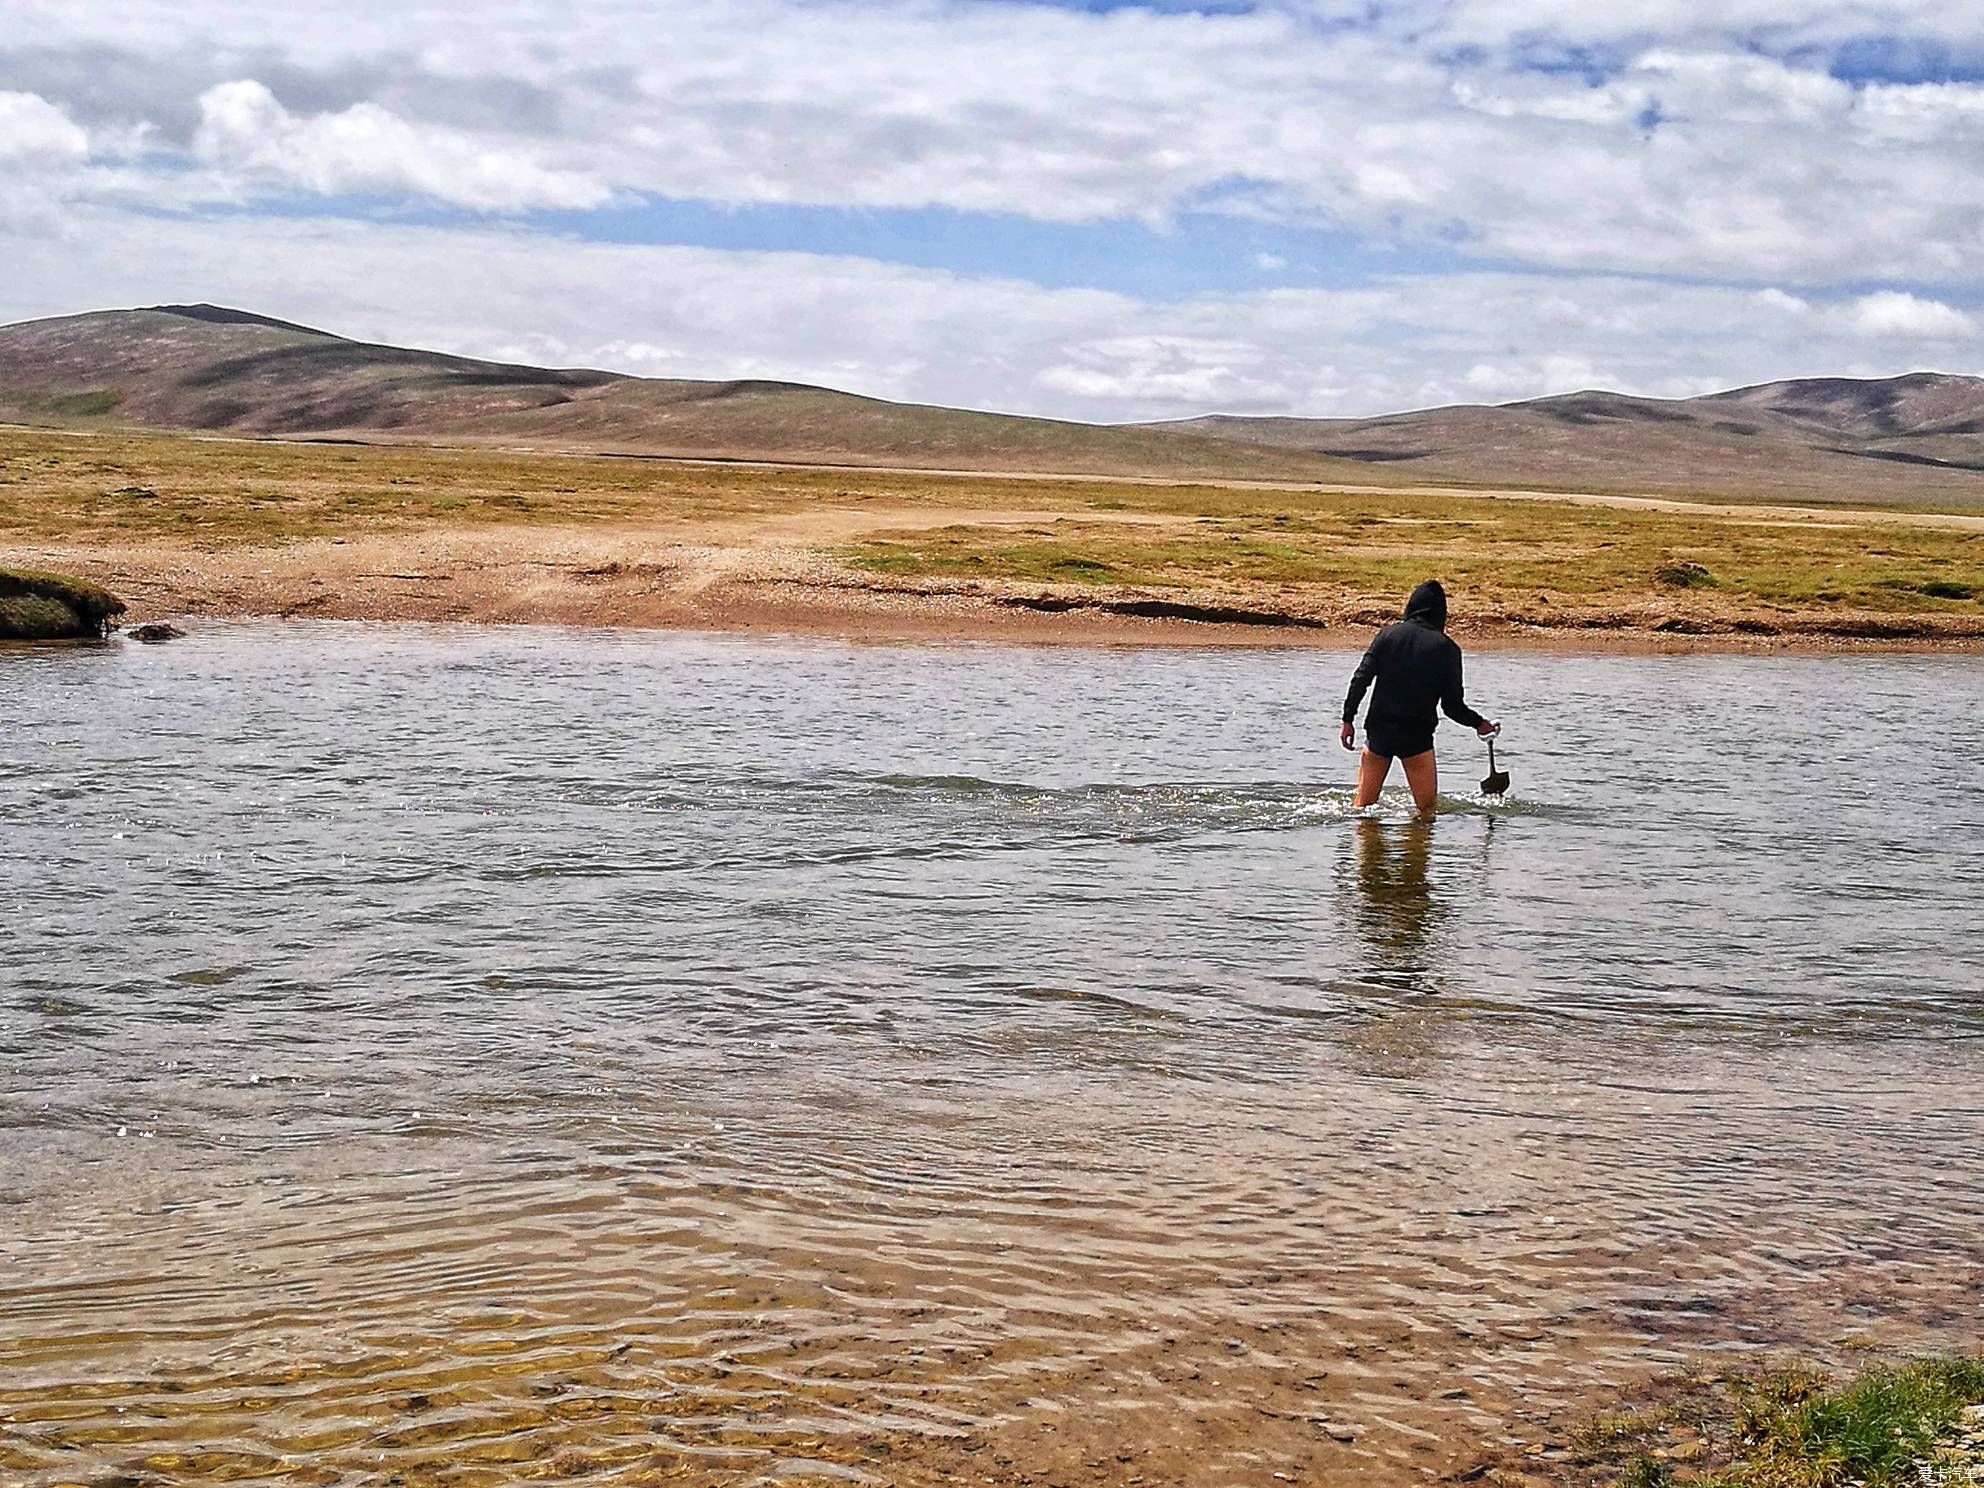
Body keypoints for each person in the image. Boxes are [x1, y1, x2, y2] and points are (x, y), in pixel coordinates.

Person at [1339, 579, 1498, 814]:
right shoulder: (1447, 649)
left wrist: (1347, 720)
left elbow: (1360, 679)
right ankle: (1416, 850)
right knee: (1426, 813)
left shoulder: (1387, 636)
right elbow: (1452, 707)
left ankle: (1364, 849)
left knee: (1363, 810)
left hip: (1380, 730)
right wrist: (1479, 723)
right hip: (1417, 737)